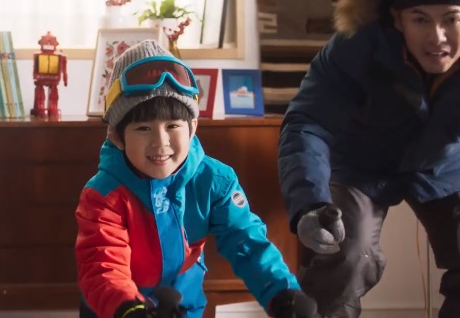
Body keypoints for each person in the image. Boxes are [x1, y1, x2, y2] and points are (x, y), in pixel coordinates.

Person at [278, 0, 460, 317]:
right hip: (358, 162)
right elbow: (307, 124)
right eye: (420, 19)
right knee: (346, 251)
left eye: (452, 19)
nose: (438, 37)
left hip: (443, 161)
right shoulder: (353, 46)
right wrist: (310, 203)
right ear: (398, 20)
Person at [76, 40, 317, 318]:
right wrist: (129, 308)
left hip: (184, 308)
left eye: (172, 125)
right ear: (117, 136)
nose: (160, 142)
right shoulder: (102, 195)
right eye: (143, 128)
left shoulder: (216, 181)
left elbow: (246, 241)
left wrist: (282, 292)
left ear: (192, 128)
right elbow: (103, 265)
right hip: (118, 311)